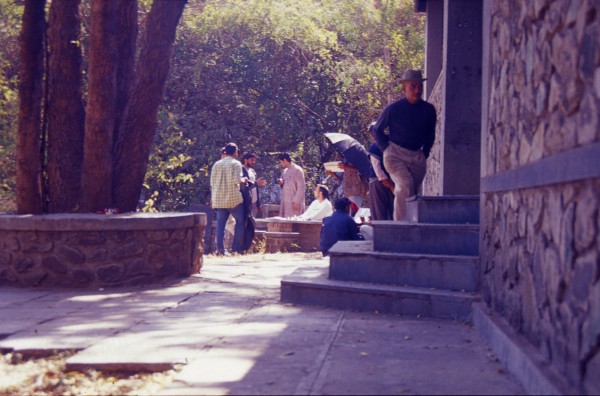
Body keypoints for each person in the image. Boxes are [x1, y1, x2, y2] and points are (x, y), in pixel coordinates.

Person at [373, 69, 436, 221]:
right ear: (404, 88)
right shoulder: (394, 109)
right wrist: (386, 148)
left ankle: (412, 225)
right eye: (412, 87)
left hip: (417, 155)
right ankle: (400, 225)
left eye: (419, 86)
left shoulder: (428, 110)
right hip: (395, 154)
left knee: (412, 191)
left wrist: (424, 153)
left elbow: (430, 134)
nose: (417, 90)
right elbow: (377, 129)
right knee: (406, 185)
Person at [210, 142, 247, 255]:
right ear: (235, 152)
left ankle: (220, 250)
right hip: (233, 199)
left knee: (220, 225)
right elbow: (237, 180)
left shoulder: (217, 164)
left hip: (219, 199)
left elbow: (212, 182)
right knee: (240, 222)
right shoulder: (236, 164)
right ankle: (236, 249)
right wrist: (243, 180)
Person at [367, 122, 394, 220]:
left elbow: (377, 169)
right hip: (392, 180)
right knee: (391, 211)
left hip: (379, 182)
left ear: (372, 134)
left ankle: (380, 234)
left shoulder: (375, 147)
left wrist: (387, 183)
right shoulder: (391, 143)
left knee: (379, 212)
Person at [277, 152, 306, 218]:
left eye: (281, 162)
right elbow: (284, 185)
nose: (280, 164)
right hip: (286, 202)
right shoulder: (284, 171)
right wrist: (282, 183)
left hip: (294, 203)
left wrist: (296, 201)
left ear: (285, 160)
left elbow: (301, 187)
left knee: (295, 223)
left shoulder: (298, 170)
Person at [242, 152, 267, 217]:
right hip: (244, 201)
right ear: (245, 160)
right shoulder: (241, 170)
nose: (253, 162)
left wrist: (258, 203)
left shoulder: (253, 171)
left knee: (252, 223)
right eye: (251, 160)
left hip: (254, 202)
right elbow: (243, 185)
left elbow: (256, 188)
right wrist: (256, 183)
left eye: (254, 160)